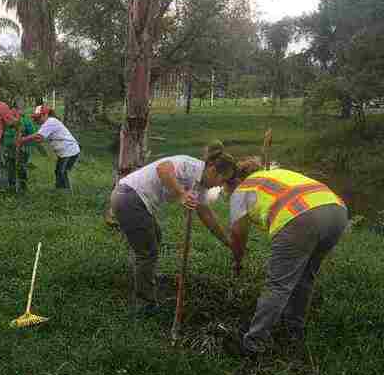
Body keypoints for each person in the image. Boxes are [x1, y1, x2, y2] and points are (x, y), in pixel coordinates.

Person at [225, 160, 348, 356]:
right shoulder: (277, 174)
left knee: (278, 285)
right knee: (306, 277)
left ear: (235, 181)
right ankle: (294, 330)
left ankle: (253, 344)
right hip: (337, 211)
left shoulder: (242, 189)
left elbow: (238, 235)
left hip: (300, 218)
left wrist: (238, 260)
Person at [109, 142, 237, 313]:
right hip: (129, 198)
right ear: (213, 170)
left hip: (135, 200)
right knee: (147, 252)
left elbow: (206, 214)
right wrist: (181, 194)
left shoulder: (201, 186)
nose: (220, 186)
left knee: (155, 238)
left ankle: (144, 277)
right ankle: (144, 303)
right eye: (222, 180)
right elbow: (163, 169)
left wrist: (227, 241)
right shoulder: (189, 165)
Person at [17, 106, 81, 190]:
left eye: (38, 117)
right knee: (60, 172)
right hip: (68, 151)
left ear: (45, 115)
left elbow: (38, 136)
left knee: (61, 172)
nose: (37, 120)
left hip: (69, 150)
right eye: (35, 118)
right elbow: (40, 139)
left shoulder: (50, 122)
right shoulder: (48, 123)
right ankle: (62, 190)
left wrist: (22, 140)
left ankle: (64, 191)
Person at [1, 108, 35, 192]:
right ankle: (11, 186)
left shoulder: (26, 121)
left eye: (15, 112)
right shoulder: (6, 121)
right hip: (9, 148)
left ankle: (23, 187)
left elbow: (33, 135)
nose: (13, 114)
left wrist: (22, 141)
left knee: (21, 167)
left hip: (22, 149)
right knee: (10, 167)